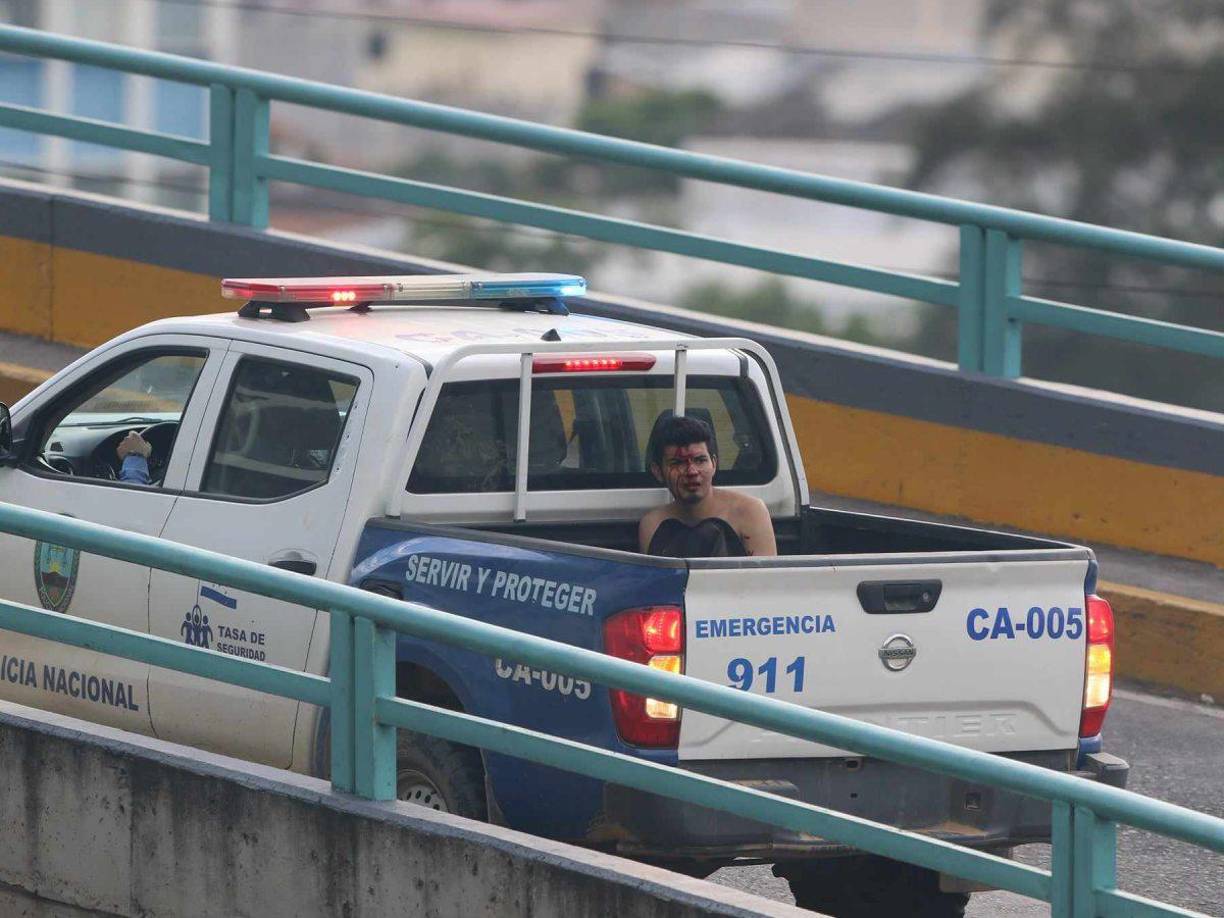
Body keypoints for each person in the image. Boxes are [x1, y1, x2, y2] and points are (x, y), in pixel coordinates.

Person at [638, 415, 777, 558]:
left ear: (714, 464)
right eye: (678, 463)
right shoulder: (653, 524)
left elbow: (765, 572)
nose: (692, 471)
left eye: (700, 460)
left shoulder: (750, 512)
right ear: (657, 471)